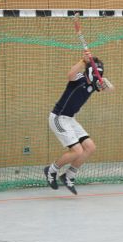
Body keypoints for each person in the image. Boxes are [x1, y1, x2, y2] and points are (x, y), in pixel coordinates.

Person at [44, 53, 114, 194]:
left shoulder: (94, 84)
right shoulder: (79, 78)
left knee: (90, 147)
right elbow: (70, 74)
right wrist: (83, 61)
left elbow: (110, 89)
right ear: (89, 71)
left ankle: (69, 175)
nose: (97, 76)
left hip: (70, 119)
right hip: (59, 118)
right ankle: (51, 170)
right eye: (96, 73)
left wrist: (105, 82)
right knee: (77, 151)